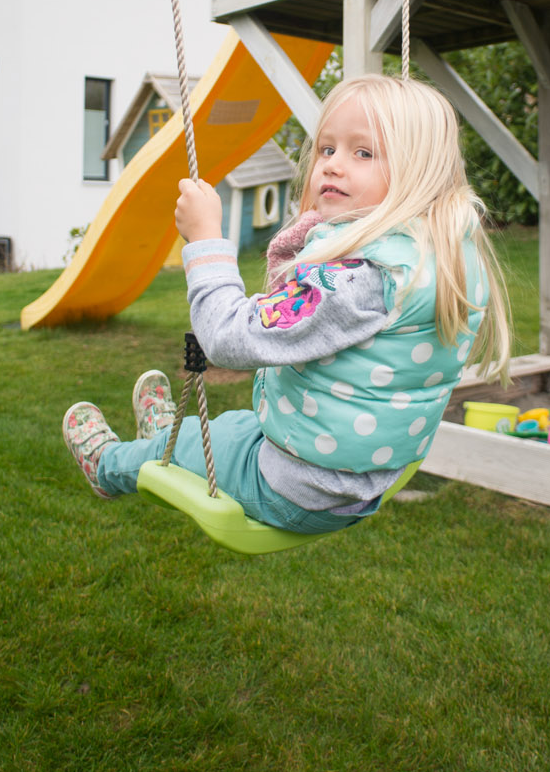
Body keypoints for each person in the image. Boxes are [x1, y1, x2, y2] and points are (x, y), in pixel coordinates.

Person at [62, 74, 511, 533]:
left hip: (300, 488)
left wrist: (205, 240)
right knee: (234, 424)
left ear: (420, 172)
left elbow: (225, 337)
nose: (332, 166)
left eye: (363, 152)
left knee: (195, 447)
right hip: (358, 469)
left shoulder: (355, 283)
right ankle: (164, 434)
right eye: (327, 149)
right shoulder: (442, 250)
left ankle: (108, 466)